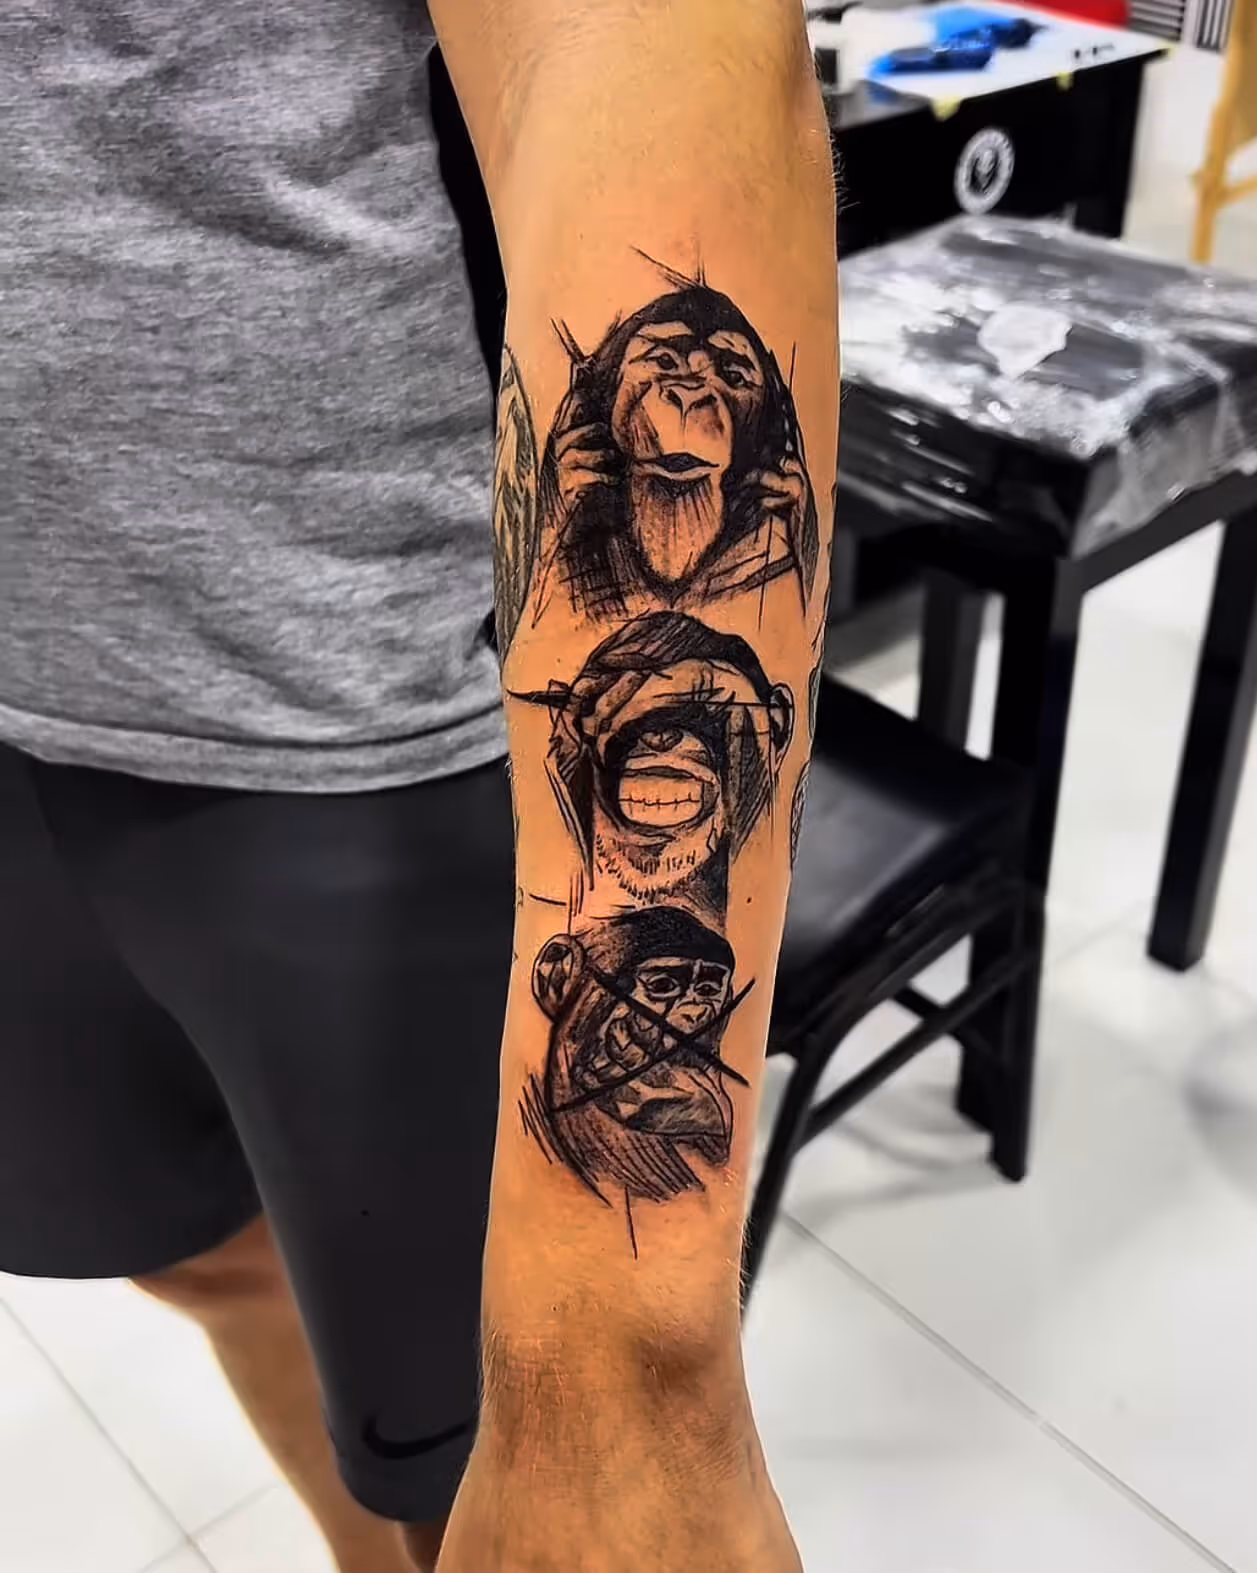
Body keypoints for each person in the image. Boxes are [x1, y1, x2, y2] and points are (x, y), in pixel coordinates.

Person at [1, 2, 838, 1569]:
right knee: (195, 1253)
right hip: (26, 711)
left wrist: (630, 1363)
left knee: (474, 1442)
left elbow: (645, 56)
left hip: (340, 717)